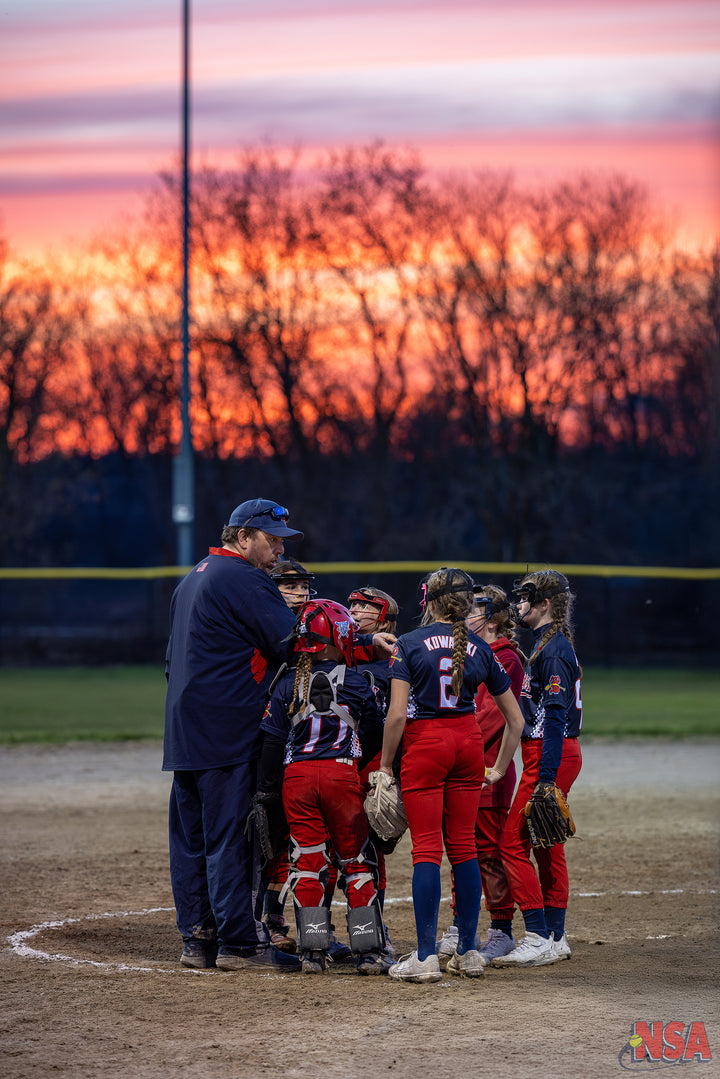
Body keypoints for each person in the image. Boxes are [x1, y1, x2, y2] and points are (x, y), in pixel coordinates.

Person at [163, 497, 304, 972]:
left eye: (282, 540)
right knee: (230, 839)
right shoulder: (246, 578)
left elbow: (169, 663)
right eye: (271, 539)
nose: (279, 550)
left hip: (185, 732)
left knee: (192, 840)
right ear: (242, 537)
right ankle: (236, 944)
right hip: (229, 729)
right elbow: (293, 645)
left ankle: (196, 941)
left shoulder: (192, 578)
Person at [378, 567, 525, 983]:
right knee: (464, 848)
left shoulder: (408, 643)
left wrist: (386, 766)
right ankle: (468, 951)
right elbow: (516, 720)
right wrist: (497, 767)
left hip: (427, 743)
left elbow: (395, 717)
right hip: (468, 743)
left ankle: (426, 957)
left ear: (429, 600)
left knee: (427, 850)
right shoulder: (482, 648)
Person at [256, 599, 394, 975]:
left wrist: (265, 794)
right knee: (356, 860)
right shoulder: (356, 679)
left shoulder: (286, 681)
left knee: (307, 861)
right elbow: (375, 731)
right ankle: (368, 951)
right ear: (339, 637)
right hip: (340, 776)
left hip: (295, 780)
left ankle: (312, 952)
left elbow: (271, 741)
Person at [492, 568, 583, 968]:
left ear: (545, 604)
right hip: (555, 751)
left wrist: (545, 779)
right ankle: (556, 936)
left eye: (527, 597)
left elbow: (558, 714)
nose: (520, 604)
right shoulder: (548, 645)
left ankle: (537, 934)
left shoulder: (553, 650)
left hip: (551, 752)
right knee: (547, 842)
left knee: (511, 844)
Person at [436, 584, 526, 966]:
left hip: (488, 772)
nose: (465, 614)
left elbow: (491, 717)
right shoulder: (472, 654)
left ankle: (501, 930)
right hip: (462, 769)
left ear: (492, 617)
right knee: (460, 852)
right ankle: (461, 924)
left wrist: (450, 734)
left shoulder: (505, 658)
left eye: (473, 608)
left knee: (487, 854)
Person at [262, 556, 318, 951]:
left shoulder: (316, 620)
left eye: (303, 586)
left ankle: (277, 916)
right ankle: (256, 916)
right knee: (262, 833)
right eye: (290, 585)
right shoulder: (260, 617)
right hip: (264, 733)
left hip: (304, 742)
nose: (299, 592)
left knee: (290, 837)